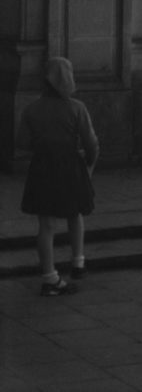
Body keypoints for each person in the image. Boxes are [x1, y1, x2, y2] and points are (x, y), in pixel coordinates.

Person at [18, 57, 99, 296]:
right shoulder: (76, 107)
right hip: (71, 164)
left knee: (46, 224)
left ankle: (50, 276)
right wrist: (90, 163)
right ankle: (78, 262)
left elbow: (22, 143)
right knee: (75, 212)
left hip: (43, 165)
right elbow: (91, 142)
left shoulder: (32, 109)